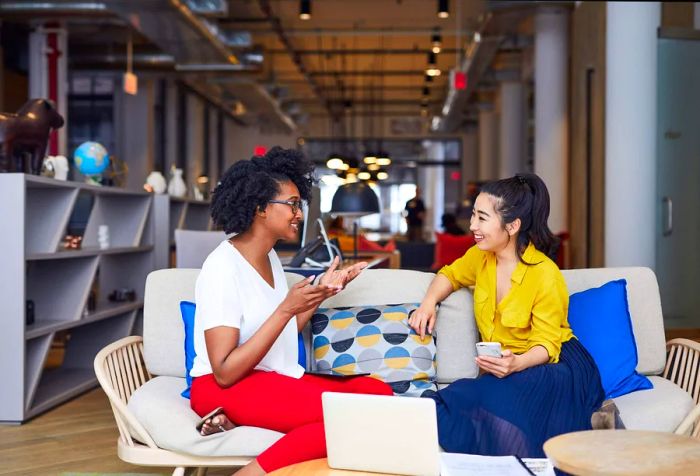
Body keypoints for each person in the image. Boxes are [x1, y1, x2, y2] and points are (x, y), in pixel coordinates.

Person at [189, 147, 393, 476]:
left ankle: (237, 424)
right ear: (259, 208)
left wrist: (320, 295)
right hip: (223, 387)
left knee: (377, 392)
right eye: (293, 204)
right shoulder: (222, 268)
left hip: (268, 377)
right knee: (353, 416)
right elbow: (225, 371)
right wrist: (286, 309)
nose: (299, 214)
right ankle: (252, 473)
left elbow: (280, 336)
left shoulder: (270, 257)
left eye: (300, 204)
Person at [408, 173, 604, 458]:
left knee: (493, 400)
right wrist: (428, 303)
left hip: (555, 365)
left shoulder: (545, 274)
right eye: (473, 215)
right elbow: (449, 275)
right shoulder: (480, 257)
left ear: (512, 225)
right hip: (510, 366)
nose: (472, 226)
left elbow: (548, 345)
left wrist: (517, 364)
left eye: (482, 218)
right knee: (454, 399)